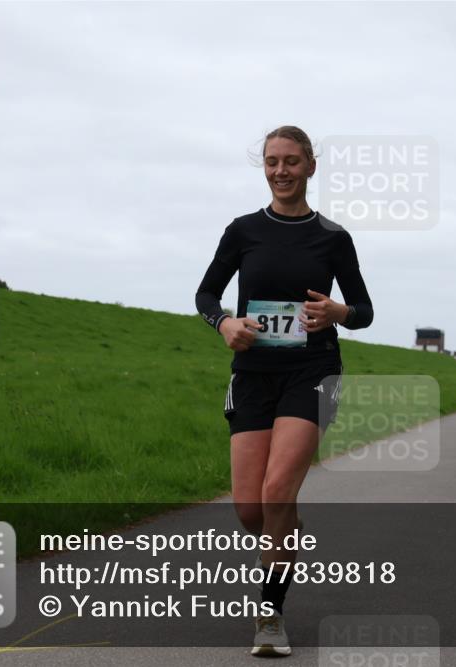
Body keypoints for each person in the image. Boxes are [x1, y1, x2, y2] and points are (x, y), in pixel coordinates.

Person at [195, 126, 374, 657]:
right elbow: (206, 292)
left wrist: (340, 313)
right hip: (253, 376)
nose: (281, 171)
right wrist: (224, 323)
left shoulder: (333, 238)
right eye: (272, 161)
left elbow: (363, 310)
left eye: (291, 162)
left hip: (313, 372)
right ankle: (287, 528)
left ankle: (269, 617)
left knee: (276, 492)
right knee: (252, 509)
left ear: (310, 167)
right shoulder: (242, 231)